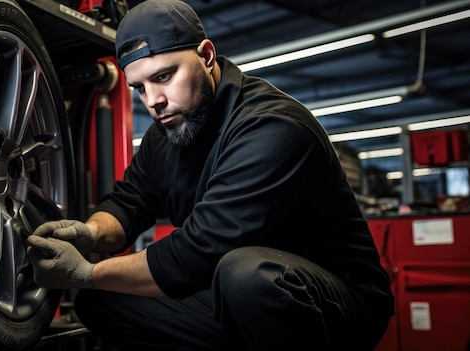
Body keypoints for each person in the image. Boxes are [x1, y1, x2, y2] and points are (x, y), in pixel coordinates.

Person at [26, 0, 395, 350]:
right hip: (234, 293)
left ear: (206, 55)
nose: (153, 100)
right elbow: (130, 201)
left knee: (245, 274)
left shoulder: (270, 127)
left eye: (164, 76)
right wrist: (88, 234)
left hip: (332, 301)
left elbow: (199, 252)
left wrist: (84, 273)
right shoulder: (166, 133)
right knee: (100, 302)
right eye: (139, 87)